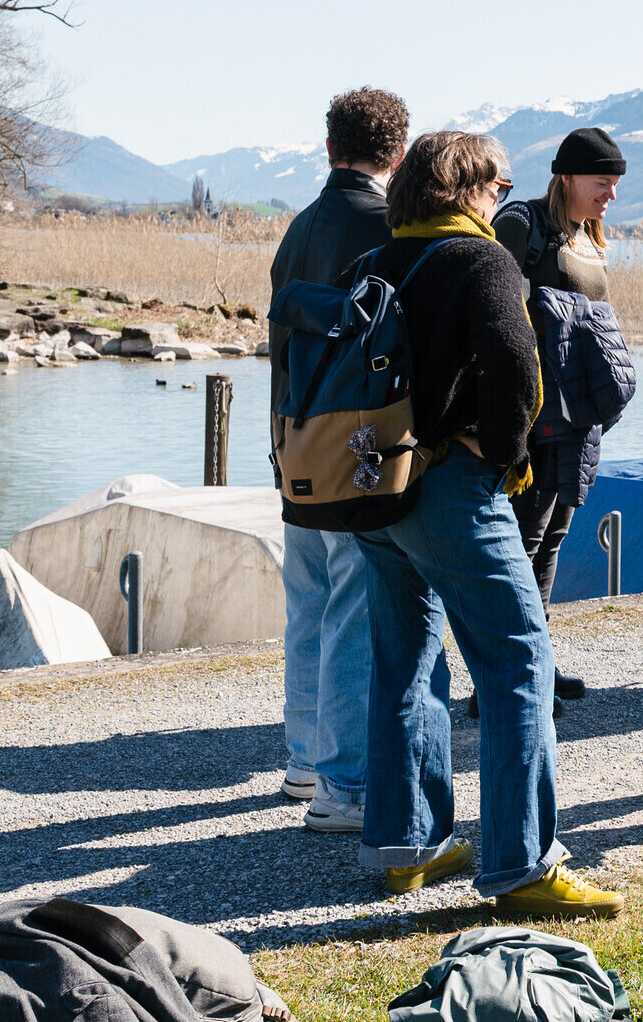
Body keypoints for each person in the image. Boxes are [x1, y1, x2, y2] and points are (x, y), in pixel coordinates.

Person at [343, 131, 622, 915]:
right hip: (448, 491)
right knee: (519, 664)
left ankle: (408, 845)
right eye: (499, 185)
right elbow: (516, 363)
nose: (504, 197)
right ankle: (520, 865)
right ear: (467, 189)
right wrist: (498, 458)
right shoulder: (480, 259)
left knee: (403, 661)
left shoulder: (373, 263)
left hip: (373, 489)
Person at [267, 87, 411, 832]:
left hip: (291, 437)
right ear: (398, 154)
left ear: (329, 147)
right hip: (356, 448)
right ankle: (341, 787)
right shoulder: (388, 225)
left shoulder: (298, 228)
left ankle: (302, 759)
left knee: (309, 605)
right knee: (355, 609)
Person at [494, 126, 633, 702]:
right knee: (521, 541)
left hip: (577, 417)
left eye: (615, 184)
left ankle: (537, 664)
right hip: (536, 416)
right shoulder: (524, 226)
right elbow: (498, 316)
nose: (611, 195)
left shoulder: (586, 234)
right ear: (567, 177)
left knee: (550, 539)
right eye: (602, 182)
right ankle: (505, 675)